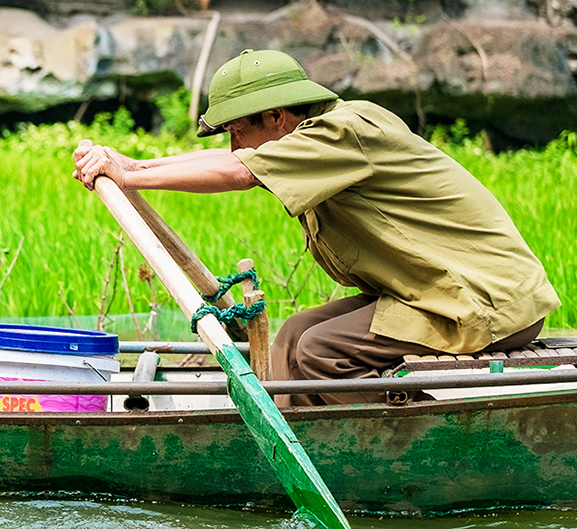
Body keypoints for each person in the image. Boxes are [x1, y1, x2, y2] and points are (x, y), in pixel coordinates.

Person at [71, 48, 559, 405]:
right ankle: (289, 438)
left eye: (239, 130)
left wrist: (133, 174)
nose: (235, 144)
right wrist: (131, 162)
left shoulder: (346, 130)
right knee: (295, 334)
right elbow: (231, 158)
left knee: (321, 350)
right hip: (436, 292)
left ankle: (405, 445)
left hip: (487, 300)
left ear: (277, 117)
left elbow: (239, 171)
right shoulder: (309, 146)